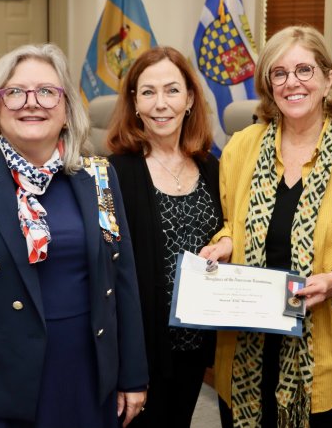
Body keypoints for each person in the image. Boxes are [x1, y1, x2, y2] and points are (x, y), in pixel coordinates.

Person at [0, 43, 148, 428]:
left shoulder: (98, 177)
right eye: (15, 92)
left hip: (87, 379)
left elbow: (122, 282)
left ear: (67, 107)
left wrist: (133, 374)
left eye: (47, 91)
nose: (31, 103)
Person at [201, 25, 332, 428]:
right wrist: (221, 246)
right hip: (248, 342)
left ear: (327, 78)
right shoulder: (240, 147)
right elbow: (232, 225)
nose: (292, 83)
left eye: (305, 70)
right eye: (279, 73)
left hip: (329, 346)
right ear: (269, 85)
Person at [106, 46, 222, 428]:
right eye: (148, 92)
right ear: (134, 102)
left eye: (172, 91)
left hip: (193, 345)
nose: (161, 104)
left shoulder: (210, 166)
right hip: (139, 350)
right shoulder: (113, 174)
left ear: (189, 99)